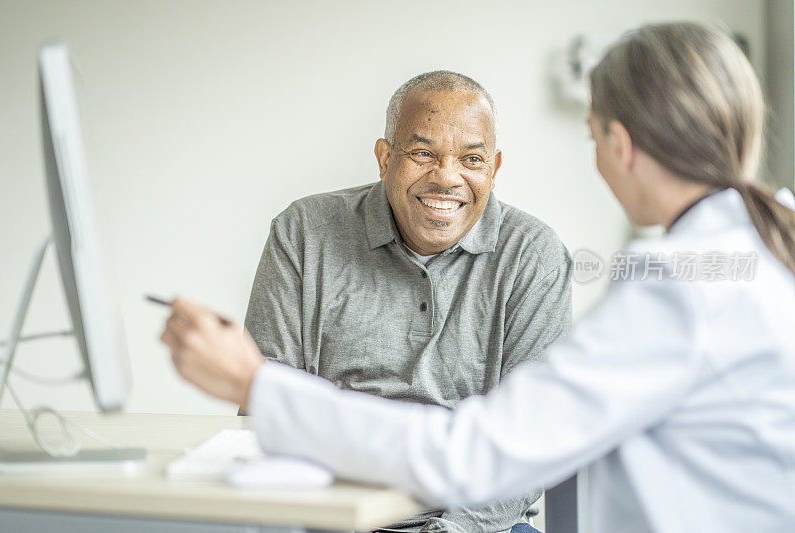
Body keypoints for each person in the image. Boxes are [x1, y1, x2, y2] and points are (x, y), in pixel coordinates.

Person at [160, 22, 795, 532]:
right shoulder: (757, 249)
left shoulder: (678, 284)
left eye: (591, 136)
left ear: (621, 144)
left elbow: (477, 454)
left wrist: (256, 382)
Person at [239, 70, 572, 532]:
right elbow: (264, 403)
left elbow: (529, 438)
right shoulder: (304, 232)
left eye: (471, 159)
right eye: (423, 154)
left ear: (493, 169)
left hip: (476, 523)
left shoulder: (534, 255)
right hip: (330, 516)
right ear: (384, 158)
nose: (446, 178)